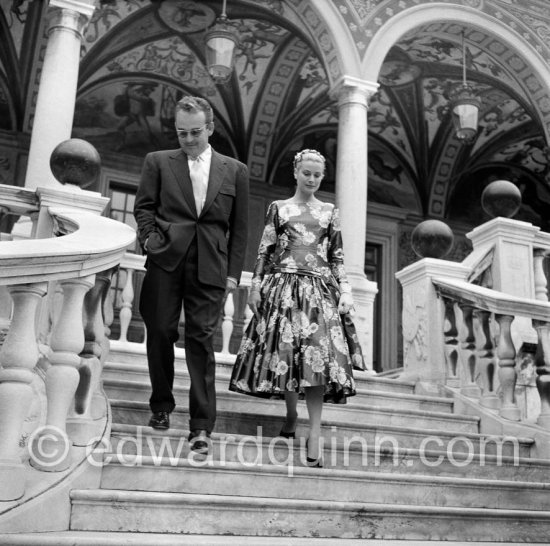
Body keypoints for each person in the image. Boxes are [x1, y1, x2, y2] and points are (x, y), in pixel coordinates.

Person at [229, 149, 363, 467]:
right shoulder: (279, 208)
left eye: (318, 174)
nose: (313, 179)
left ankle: (314, 432)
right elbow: (265, 249)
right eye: (307, 173)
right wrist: (255, 286)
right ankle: (291, 414)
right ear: (296, 172)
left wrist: (346, 290)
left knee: (317, 358)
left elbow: (337, 257)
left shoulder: (330, 212)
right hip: (283, 289)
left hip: (319, 291)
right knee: (287, 358)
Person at [134, 96, 249, 455]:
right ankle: (161, 407)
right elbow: (143, 208)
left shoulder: (235, 170)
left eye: (195, 132)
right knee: (161, 331)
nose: (187, 139)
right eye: (181, 133)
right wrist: (152, 240)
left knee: (201, 341)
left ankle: (201, 426)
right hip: (165, 259)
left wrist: (232, 274)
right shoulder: (158, 162)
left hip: (210, 267)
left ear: (210, 128)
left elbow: (240, 228)